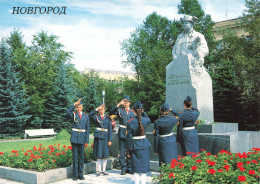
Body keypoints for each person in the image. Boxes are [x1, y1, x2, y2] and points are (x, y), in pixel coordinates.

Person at [126, 101, 151, 184]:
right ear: (142, 110)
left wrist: (128, 151)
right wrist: (143, 112)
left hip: (135, 146)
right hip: (144, 145)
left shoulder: (130, 122)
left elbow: (128, 138)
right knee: (143, 169)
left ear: (133, 110)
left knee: (136, 169)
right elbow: (148, 119)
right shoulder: (146, 121)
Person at [109, 95, 135, 175]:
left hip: (130, 133)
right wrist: (119, 104)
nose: (126, 103)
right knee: (122, 151)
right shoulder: (120, 110)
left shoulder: (133, 112)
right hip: (122, 132)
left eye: (127, 102)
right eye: (124, 102)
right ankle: (123, 168)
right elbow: (111, 112)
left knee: (130, 150)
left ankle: (129, 167)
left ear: (130, 103)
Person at [67, 99, 90, 181]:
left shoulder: (86, 116)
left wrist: (86, 140)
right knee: (75, 157)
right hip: (74, 138)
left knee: (81, 158)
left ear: (82, 107)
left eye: (80, 107)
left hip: (82, 138)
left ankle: (81, 174)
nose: (79, 109)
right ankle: (75, 175)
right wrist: (73, 104)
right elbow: (67, 112)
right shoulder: (73, 115)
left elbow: (87, 128)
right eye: (77, 107)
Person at [89, 104, 112, 176]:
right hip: (98, 137)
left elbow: (110, 130)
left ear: (105, 110)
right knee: (99, 154)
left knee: (105, 154)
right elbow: (89, 115)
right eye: (100, 109)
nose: (102, 111)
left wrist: (110, 140)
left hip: (105, 137)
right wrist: (96, 108)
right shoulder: (97, 117)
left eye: (103, 109)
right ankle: (99, 171)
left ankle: (104, 170)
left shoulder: (108, 118)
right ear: (98, 111)